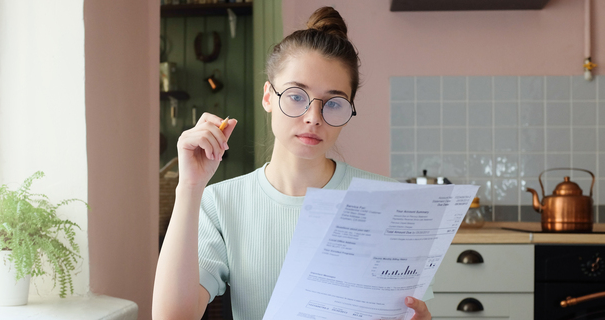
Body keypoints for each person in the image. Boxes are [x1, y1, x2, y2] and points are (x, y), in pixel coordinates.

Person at [152, 6, 432, 320]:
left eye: (334, 103)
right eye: (297, 96)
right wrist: (190, 187)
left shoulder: (391, 201)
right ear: (269, 97)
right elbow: (173, 317)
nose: (313, 117)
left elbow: (412, 310)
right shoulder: (220, 204)